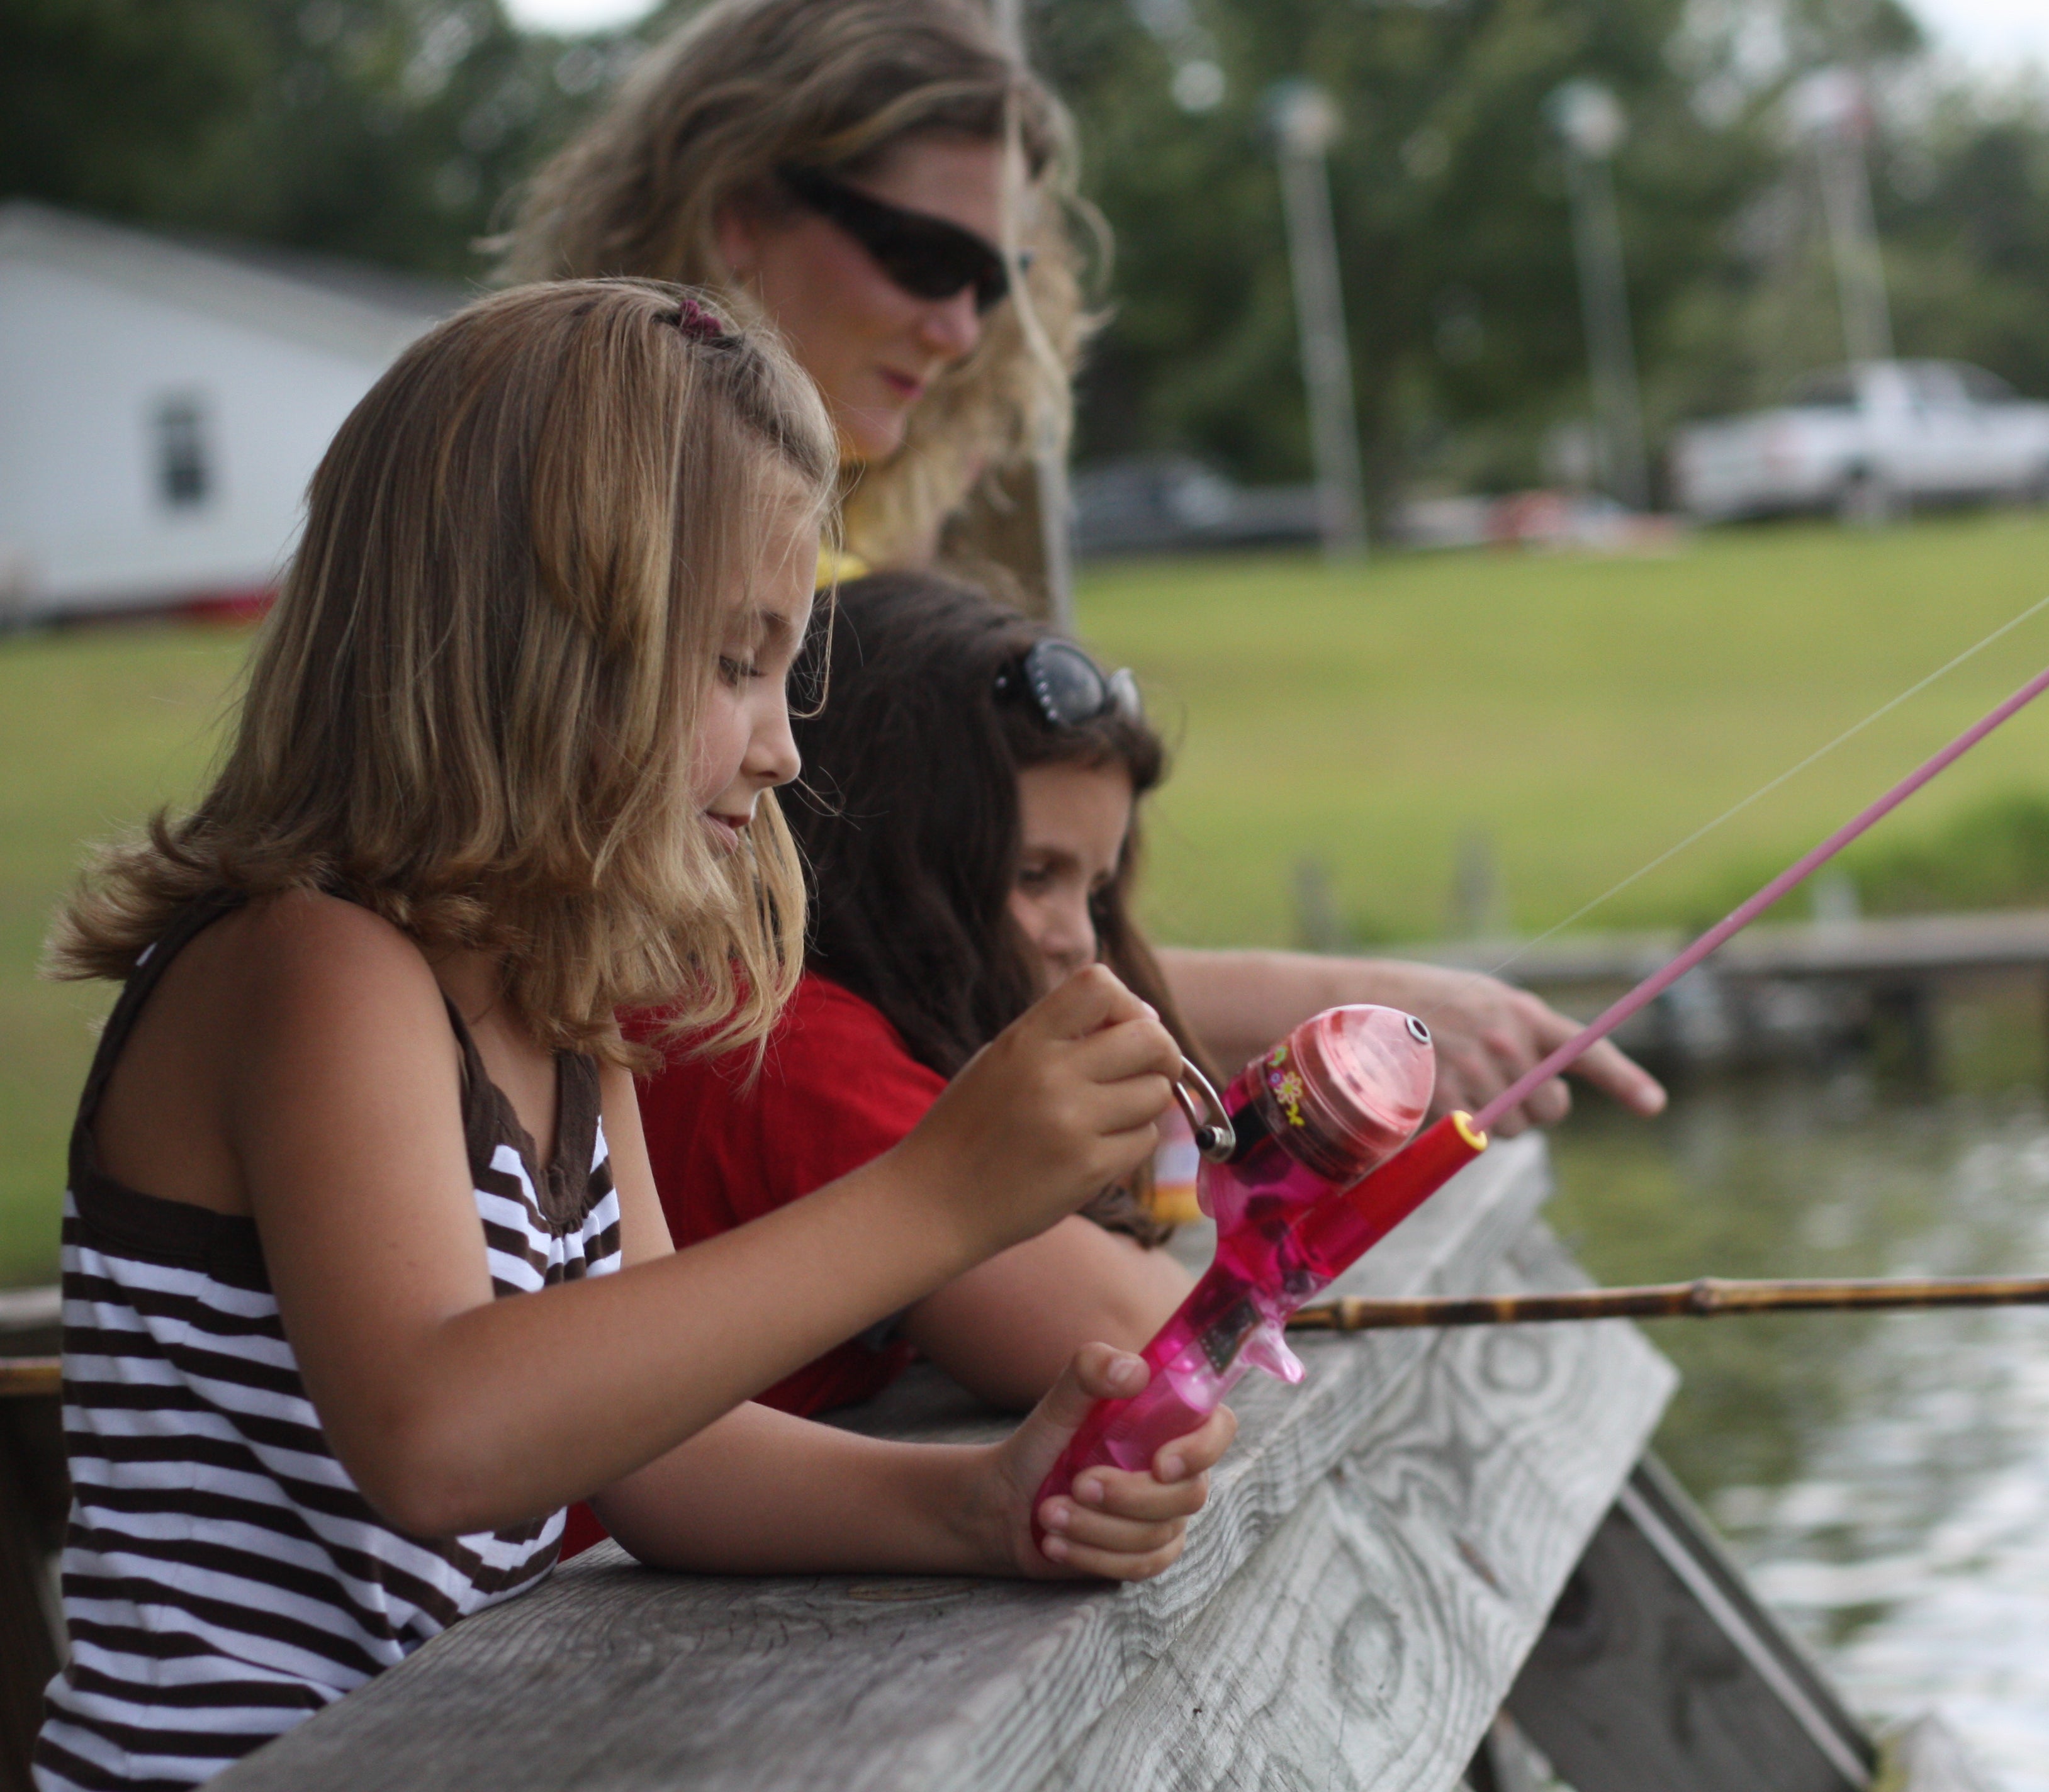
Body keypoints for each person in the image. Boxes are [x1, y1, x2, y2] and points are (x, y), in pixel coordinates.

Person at [34, 282, 1233, 1791]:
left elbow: (657, 1449)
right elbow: (442, 1430)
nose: (783, 745)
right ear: (528, 644)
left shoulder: (561, 1008)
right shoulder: (311, 963)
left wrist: (982, 1504)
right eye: (737, 665)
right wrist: (936, 1197)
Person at [498, 0, 1666, 1136]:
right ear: (739, 210)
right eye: (920, 256)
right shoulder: (578, 545)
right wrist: (1334, 1003)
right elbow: (877, 965)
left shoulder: (830, 561)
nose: (961, 328)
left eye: (994, 280)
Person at [634, 571, 1196, 1426]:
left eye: (1096, 891)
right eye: (1033, 875)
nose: (1078, 938)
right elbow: (1137, 1334)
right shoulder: (786, 1045)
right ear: (886, 853)